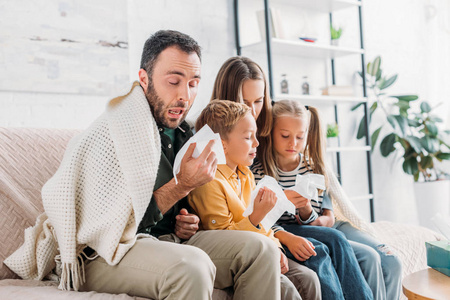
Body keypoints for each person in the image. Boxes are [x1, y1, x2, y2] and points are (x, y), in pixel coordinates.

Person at [5, 30, 286, 300]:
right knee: (191, 266)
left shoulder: (188, 135)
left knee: (262, 251)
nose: (185, 95)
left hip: (168, 244)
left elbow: (187, 210)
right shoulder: (111, 134)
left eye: (193, 83)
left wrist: (184, 222)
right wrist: (181, 185)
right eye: (173, 81)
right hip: (105, 252)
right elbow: (108, 227)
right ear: (144, 78)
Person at [211, 56, 373, 300]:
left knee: (341, 242)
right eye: (245, 102)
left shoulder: (258, 145)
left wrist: (306, 211)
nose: (253, 111)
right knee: (320, 249)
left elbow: (322, 212)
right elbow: (244, 216)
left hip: (273, 228)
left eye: (258, 101)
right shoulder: (237, 156)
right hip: (267, 230)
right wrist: (279, 235)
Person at [252, 99, 403, 300]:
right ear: (271, 132)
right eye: (285, 136)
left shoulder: (311, 169)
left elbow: (315, 220)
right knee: (331, 243)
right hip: (280, 231)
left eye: (300, 137)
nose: (293, 143)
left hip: (309, 228)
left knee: (370, 253)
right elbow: (259, 220)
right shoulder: (259, 172)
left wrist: (305, 208)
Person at [189, 100, 321, 300]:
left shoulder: (245, 174)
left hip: (261, 248)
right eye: (249, 137)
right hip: (231, 254)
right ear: (222, 145)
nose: (257, 143)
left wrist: (276, 247)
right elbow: (224, 239)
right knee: (288, 290)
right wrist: (257, 215)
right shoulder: (209, 180)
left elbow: (265, 226)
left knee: (309, 279)